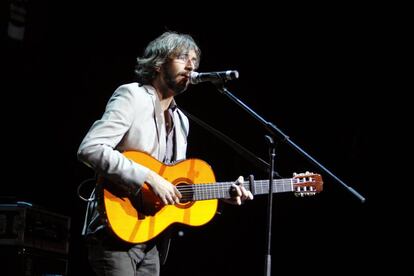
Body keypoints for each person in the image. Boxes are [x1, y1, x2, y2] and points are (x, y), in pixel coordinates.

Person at [77, 31, 253, 276]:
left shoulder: (182, 121)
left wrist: (223, 194)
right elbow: (90, 149)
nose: (191, 66)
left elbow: (172, 183)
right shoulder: (132, 96)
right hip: (115, 231)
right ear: (159, 63)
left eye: (195, 60)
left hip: (153, 239)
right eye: (182, 57)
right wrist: (149, 177)